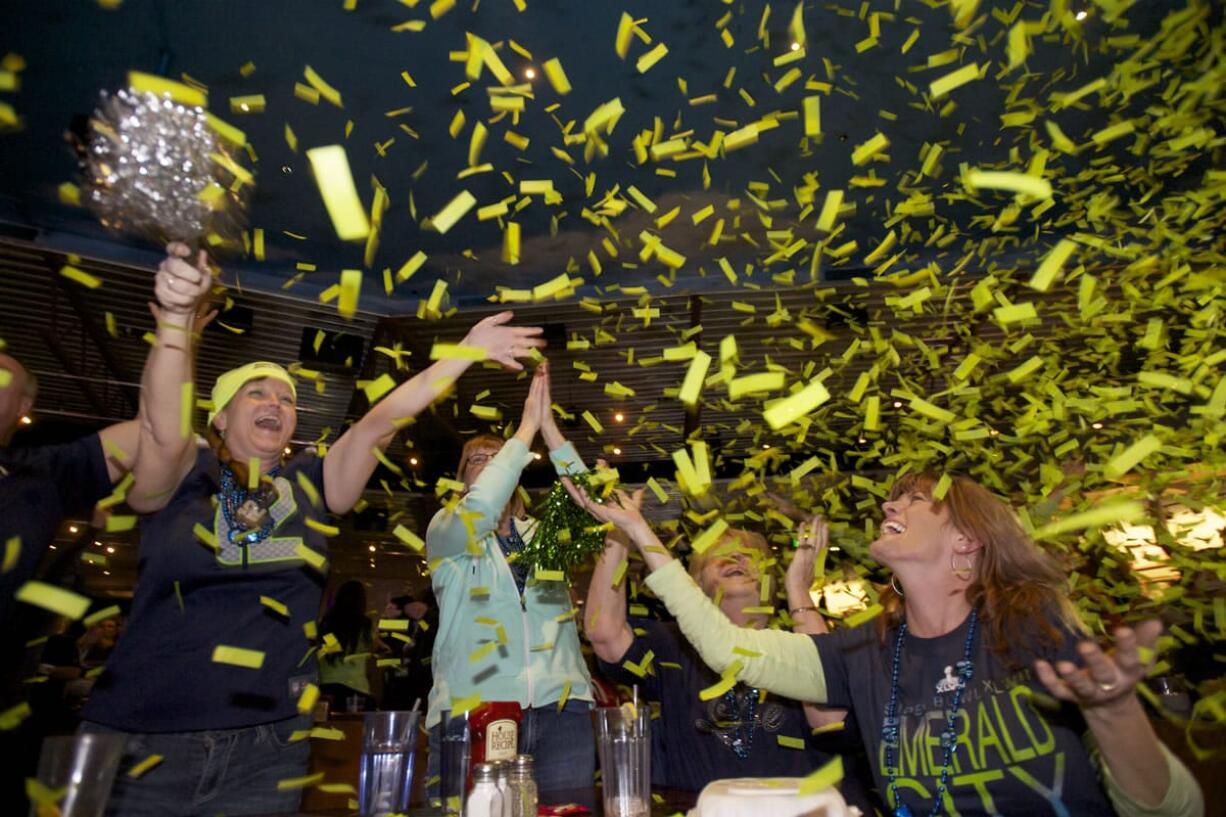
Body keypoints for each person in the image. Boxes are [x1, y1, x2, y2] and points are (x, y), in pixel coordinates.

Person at [78, 243, 544, 816]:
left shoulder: (313, 484)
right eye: (257, 392)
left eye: (287, 398)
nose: (276, 402)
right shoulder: (182, 474)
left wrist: (465, 353)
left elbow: (378, 426)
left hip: (267, 748)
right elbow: (163, 425)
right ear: (220, 416)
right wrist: (175, 319)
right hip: (144, 745)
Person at [566, 471, 1204, 817]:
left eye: (918, 499)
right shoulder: (864, 654)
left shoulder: (1028, 628)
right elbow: (727, 649)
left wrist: (1115, 712)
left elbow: (1175, 807)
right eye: (896, 494)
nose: (893, 500)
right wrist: (637, 532)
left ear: (968, 541)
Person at [586, 507, 873, 809]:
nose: (736, 558)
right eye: (717, 556)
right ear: (694, 585)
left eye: (749, 555)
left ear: (771, 580)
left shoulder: (798, 640)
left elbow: (830, 718)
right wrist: (619, 531)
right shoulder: (674, 644)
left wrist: (798, 590)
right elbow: (604, 633)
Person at [425, 363, 595, 800]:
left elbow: (594, 509)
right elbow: (481, 509)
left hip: (563, 710)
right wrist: (524, 431)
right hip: (474, 706)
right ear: (462, 480)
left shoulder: (545, 536)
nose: (491, 464)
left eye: (498, 458)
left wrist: (549, 429)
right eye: (478, 460)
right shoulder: (447, 531)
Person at [318, 580, 387, 711]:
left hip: (325, 686)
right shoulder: (365, 625)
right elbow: (378, 647)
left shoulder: (326, 622)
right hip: (355, 687)